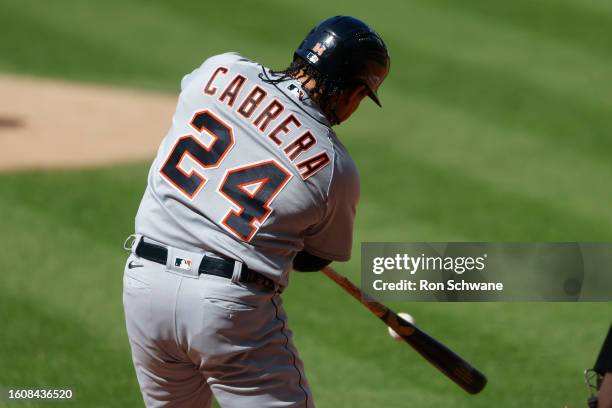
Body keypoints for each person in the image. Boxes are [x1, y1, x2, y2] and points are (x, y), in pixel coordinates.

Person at [122, 15, 390, 408]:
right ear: (350, 92)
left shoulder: (221, 68)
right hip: (226, 310)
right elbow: (314, 257)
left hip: (144, 286)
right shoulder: (335, 167)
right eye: (361, 96)